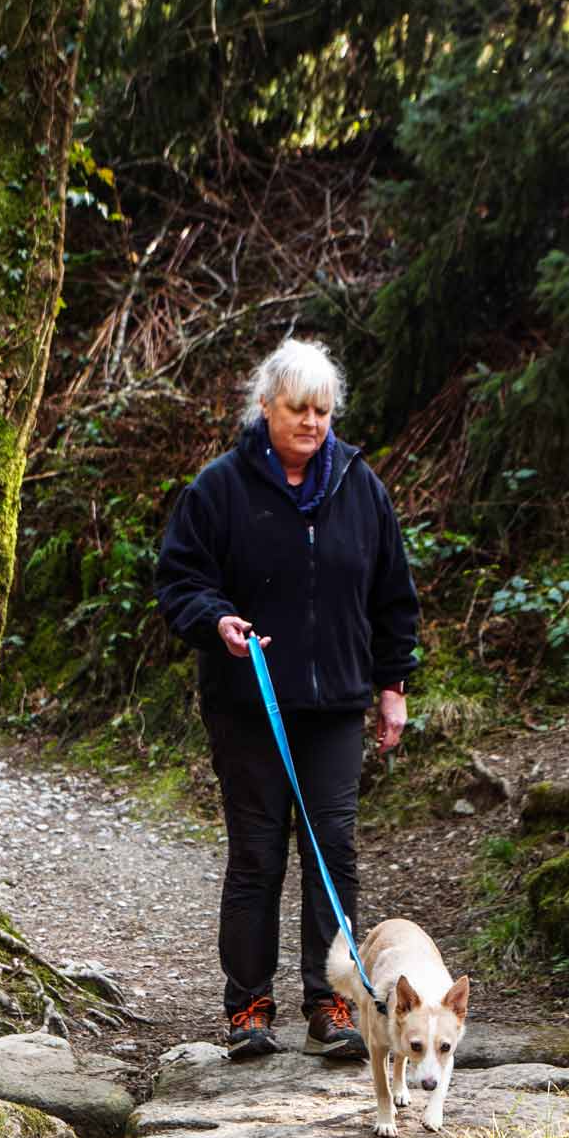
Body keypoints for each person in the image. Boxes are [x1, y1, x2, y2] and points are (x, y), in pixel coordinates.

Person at [155, 337, 420, 1060]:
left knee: (332, 852)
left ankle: (332, 1000)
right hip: (248, 706)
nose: (311, 422)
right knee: (258, 854)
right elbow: (178, 581)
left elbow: (393, 596)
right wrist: (218, 620)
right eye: (298, 408)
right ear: (265, 406)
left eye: (323, 411)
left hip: (335, 704)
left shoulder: (361, 487)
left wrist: (392, 688)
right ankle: (248, 1007)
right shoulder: (219, 489)